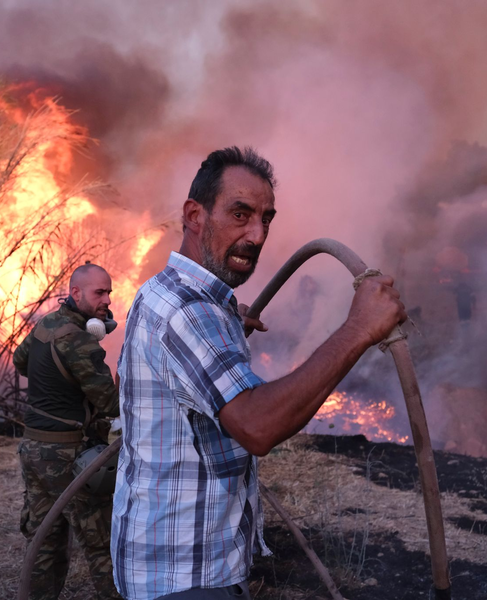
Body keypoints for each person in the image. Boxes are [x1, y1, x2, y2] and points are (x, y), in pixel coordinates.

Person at [112, 146, 407, 600]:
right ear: (194, 214)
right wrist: (359, 330)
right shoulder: (188, 313)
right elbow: (257, 426)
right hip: (186, 580)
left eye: (266, 218)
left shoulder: (167, 293)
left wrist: (227, 324)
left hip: (174, 565)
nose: (257, 233)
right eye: (240, 213)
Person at [13, 264, 121, 600]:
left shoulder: (46, 324)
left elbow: (20, 361)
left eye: (109, 292)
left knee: (45, 541)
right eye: (98, 293)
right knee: (101, 544)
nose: (106, 300)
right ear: (75, 293)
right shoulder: (80, 342)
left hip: (33, 450)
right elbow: (110, 402)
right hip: (69, 456)